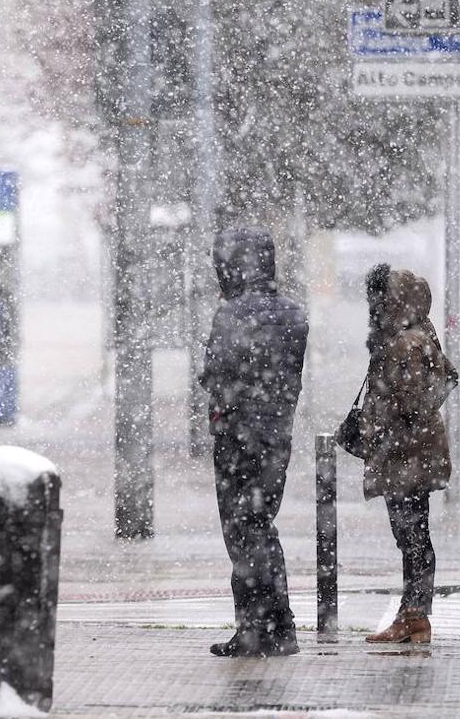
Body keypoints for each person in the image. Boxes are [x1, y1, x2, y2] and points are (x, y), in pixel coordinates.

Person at [198, 227, 309, 657]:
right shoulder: (293, 314)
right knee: (262, 525)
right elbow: (287, 379)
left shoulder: (231, 313)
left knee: (240, 532)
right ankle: (281, 626)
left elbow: (214, 371)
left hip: (235, 435)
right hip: (276, 435)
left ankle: (252, 626)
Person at [358, 264, 455, 645]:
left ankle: (414, 616)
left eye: (379, 300)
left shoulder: (405, 342)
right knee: (413, 534)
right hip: (411, 453)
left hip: (406, 455)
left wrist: (382, 421)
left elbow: (414, 402)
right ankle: (412, 615)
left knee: (411, 535)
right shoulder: (416, 335)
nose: (374, 308)